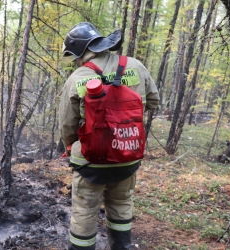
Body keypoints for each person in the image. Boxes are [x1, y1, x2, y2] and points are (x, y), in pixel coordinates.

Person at [59, 22, 159, 250]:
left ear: (82, 52)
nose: (76, 61)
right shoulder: (135, 66)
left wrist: (69, 145)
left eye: (75, 56)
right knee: (122, 204)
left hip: (90, 161)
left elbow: (67, 125)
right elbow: (153, 102)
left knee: (84, 210)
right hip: (127, 155)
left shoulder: (78, 76)